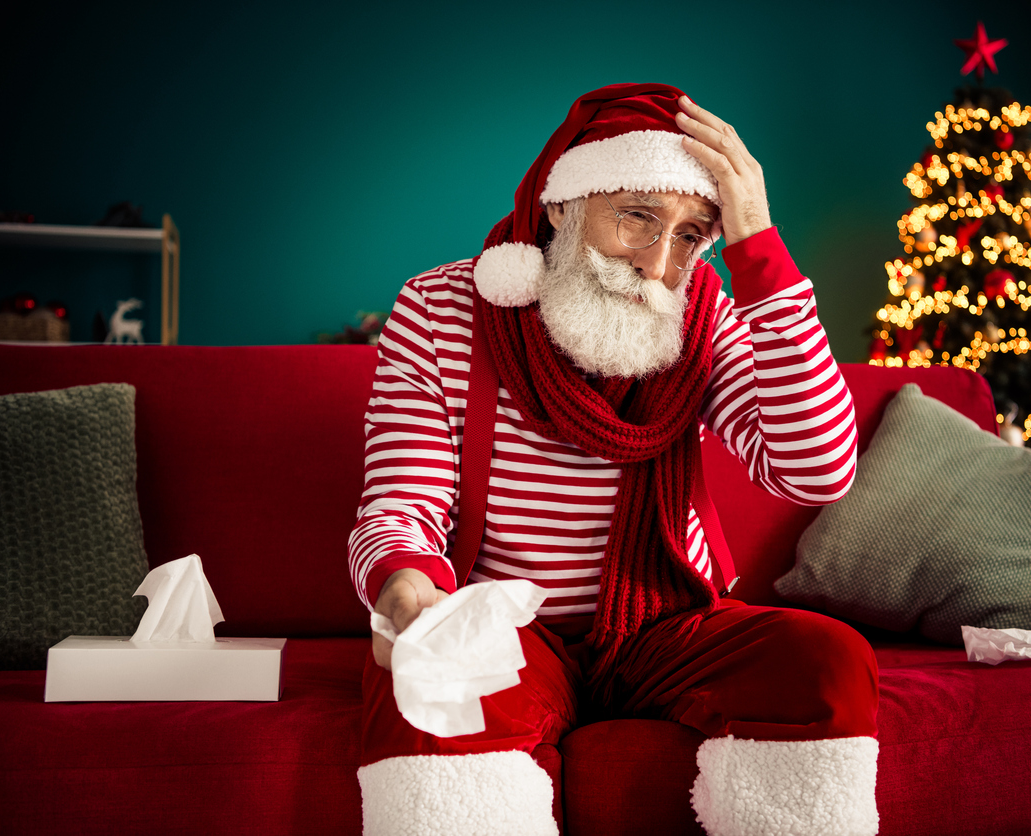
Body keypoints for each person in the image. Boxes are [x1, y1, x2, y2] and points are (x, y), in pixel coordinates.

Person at [348, 83, 879, 836]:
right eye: (637, 217)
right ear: (562, 205)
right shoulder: (440, 310)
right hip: (509, 632)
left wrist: (758, 248)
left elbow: (817, 470)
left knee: (824, 661)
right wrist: (405, 588)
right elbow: (403, 504)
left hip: (661, 627)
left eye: (693, 235)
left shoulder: (702, 318)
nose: (660, 265)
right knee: (428, 683)